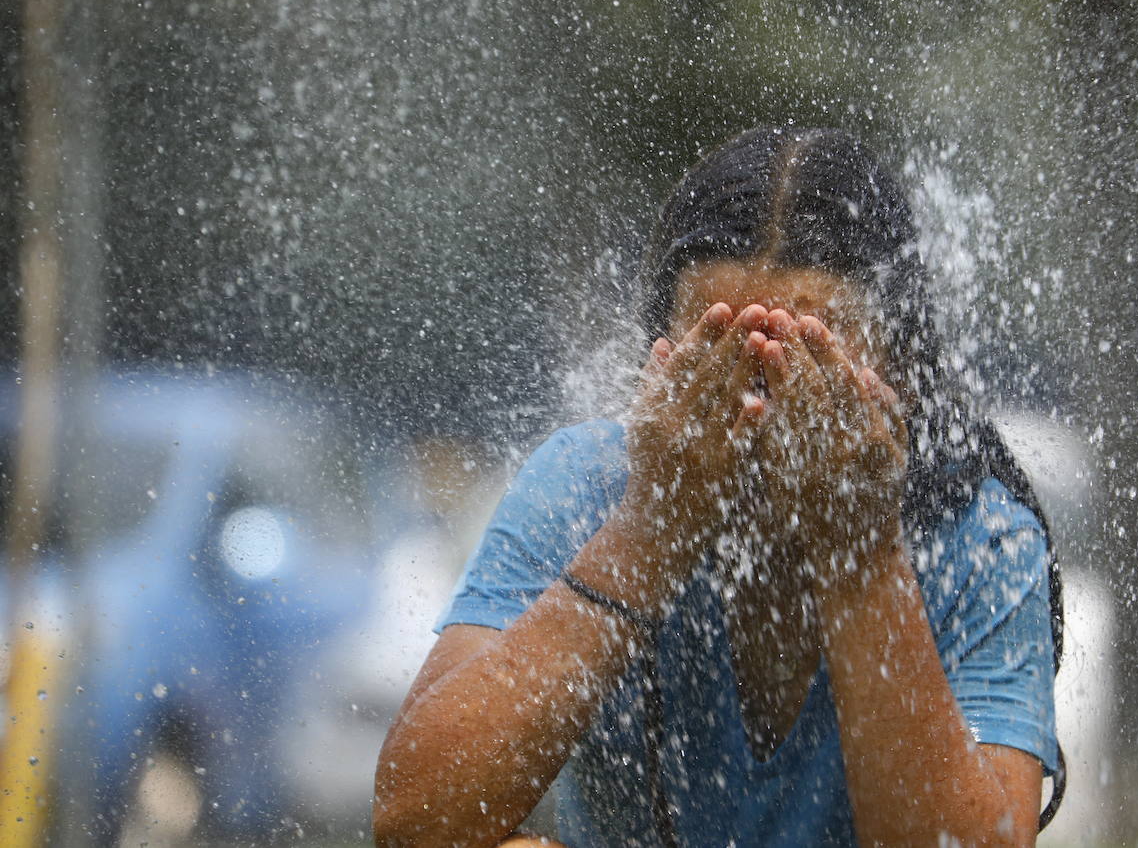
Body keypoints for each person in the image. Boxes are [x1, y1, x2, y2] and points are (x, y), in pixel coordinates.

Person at [373, 126, 1062, 848]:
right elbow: (414, 823)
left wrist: (859, 556)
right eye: (722, 358)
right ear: (657, 362)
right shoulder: (589, 488)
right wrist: (651, 531)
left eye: (810, 365)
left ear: (903, 371)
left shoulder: (980, 542)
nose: (759, 410)